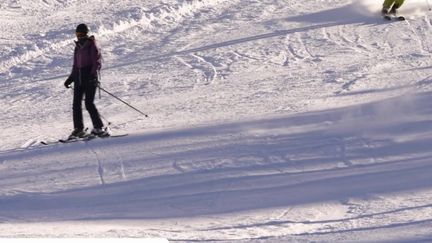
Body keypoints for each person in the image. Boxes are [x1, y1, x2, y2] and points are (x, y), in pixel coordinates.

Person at [64, 23, 109, 138]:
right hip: (78, 78)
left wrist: (93, 76)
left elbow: (97, 62)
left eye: (81, 34)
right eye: (77, 34)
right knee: (76, 104)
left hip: (89, 78)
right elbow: (75, 65)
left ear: (86, 34)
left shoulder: (92, 45)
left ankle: (98, 128)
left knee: (89, 103)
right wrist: (71, 78)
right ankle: (78, 129)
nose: (79, 36)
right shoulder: (77, 47)